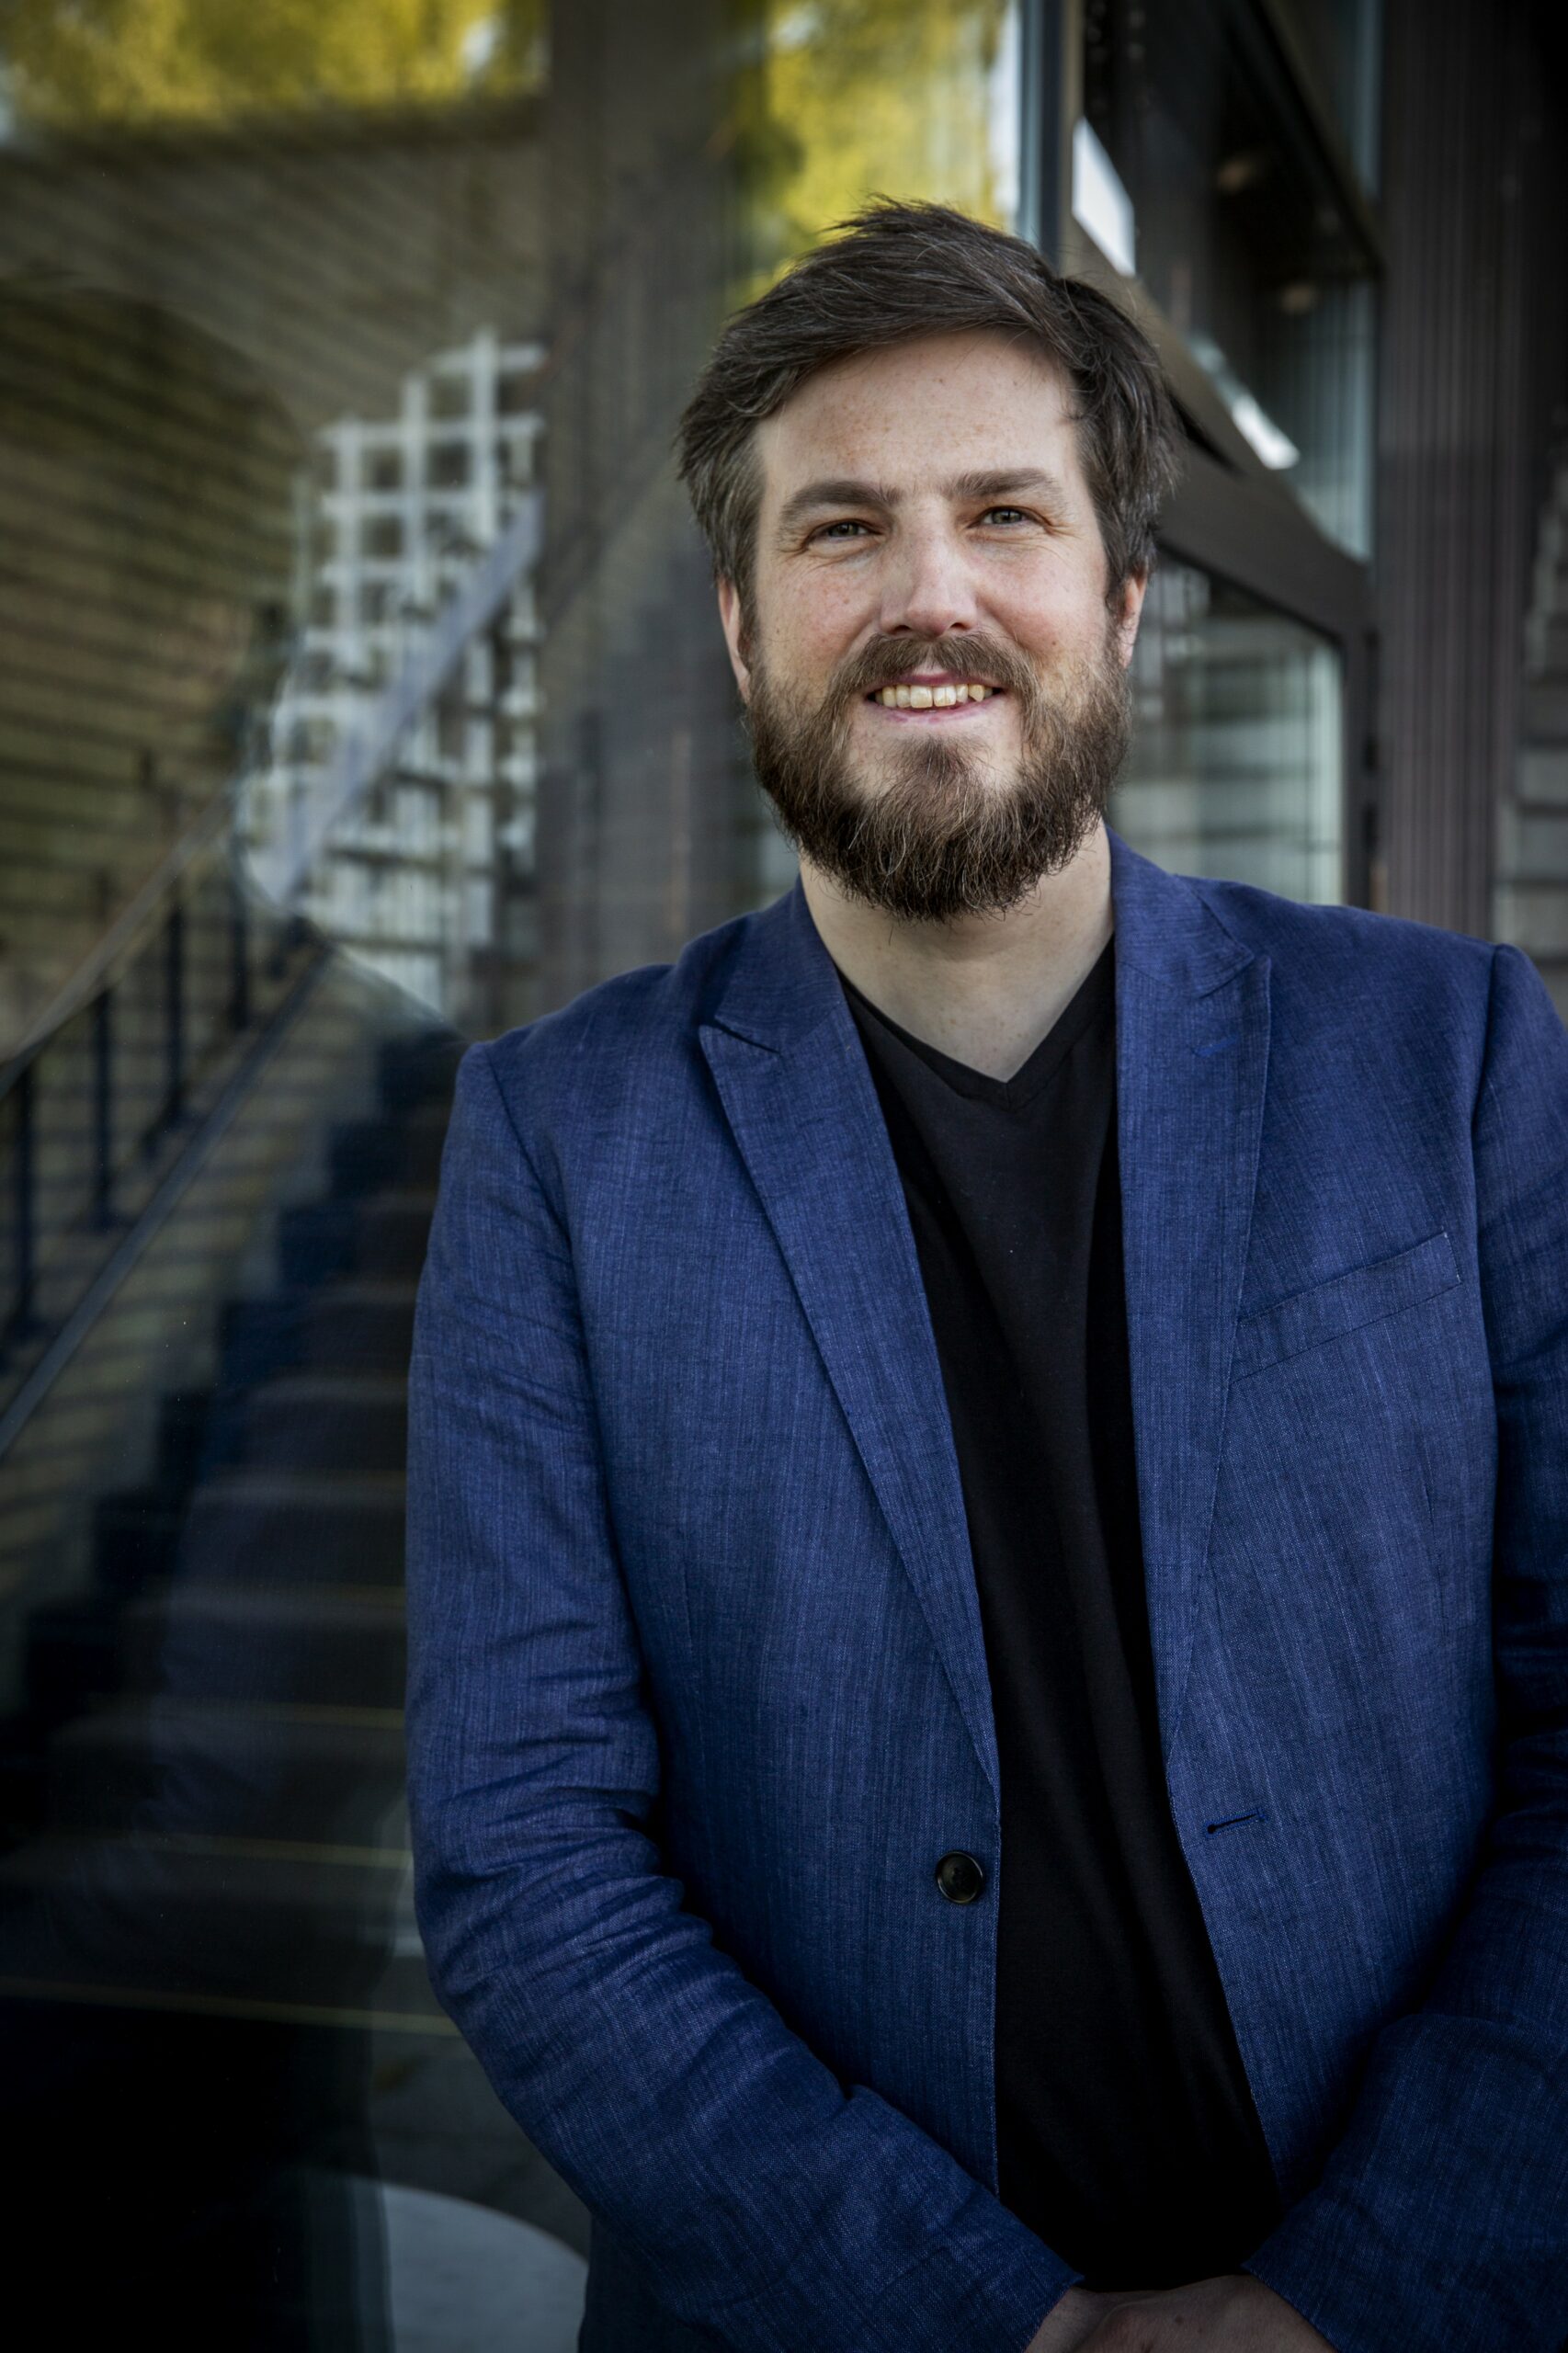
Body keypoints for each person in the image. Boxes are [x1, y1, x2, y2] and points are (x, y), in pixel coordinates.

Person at [404, 201, 1568, 2352]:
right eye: (840, 527)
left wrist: (1352, 2294)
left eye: (1003, 514)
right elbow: (524, 1852)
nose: (928, 594)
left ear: (1120, 602)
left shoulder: (1455, 1055)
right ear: (742, 626)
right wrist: (997, 2326)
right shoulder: (560, 1141)